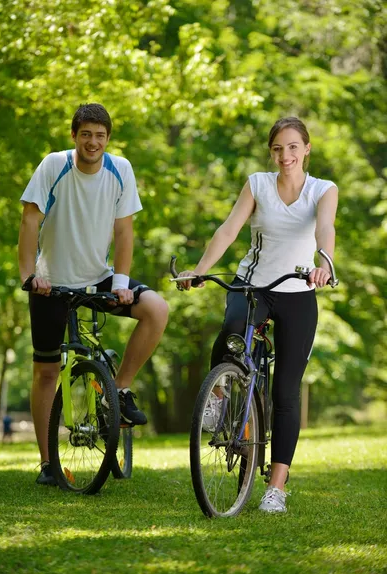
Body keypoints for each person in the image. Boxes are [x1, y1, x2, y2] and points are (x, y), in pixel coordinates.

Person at [179, 116, 338, 513]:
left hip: (298, 290)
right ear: (271, 152)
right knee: (233, 329)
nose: (286, 156)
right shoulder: (257, 184)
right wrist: (200, 270)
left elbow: (325, 228)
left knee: (285, 393)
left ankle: (277, 487)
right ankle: (218, 394)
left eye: (293, 147)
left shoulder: (323, 190)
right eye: (278, 148)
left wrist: (326, 263)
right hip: (254, 285)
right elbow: (230, 229)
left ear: (306, 149)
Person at [18, 103, 169, 485]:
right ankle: (49, 463)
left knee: (155, 308)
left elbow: (123, 231)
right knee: (46, 371)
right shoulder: (55, 166)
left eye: (100, 135)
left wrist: (121, 282)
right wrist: (29, 275)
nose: (93, 141)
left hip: (99, 277)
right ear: (74, 136)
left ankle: (117, 392)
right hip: (51, 282)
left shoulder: (121, 170)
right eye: (86, 134)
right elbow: (29, 219)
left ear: (108, 139)